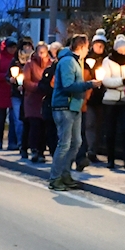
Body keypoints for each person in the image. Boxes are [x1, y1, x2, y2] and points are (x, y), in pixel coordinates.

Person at [49, 34, 101, 191]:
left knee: (76, 142)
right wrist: (89, 84)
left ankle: (65, 174)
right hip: (64, 106)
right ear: (82, 47)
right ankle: (55, 177)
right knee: (64, 143)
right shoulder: (68, 62)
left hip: (74, 106)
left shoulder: (76, 61)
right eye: (87, 47)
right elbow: (67, 85)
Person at [100, 34, 125, 169]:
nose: (123, 53)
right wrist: (121, 81)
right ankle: (111, 158)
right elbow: (106, 80)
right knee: (111, 131)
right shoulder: (108, 61)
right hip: (111, 100)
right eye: (121, 50)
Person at [23, 43, 51, 163]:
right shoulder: (30, 65)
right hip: (33, 100)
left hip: (45, 99)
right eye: (40, 53)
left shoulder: (51, 65)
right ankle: (34, 149)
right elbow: (26, 81)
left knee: (44, 126)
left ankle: (41, 151)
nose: (41, 56)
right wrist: (38, 86)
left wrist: (48, 87)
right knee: (35, 125)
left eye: (44, 53)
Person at [84, 29, 108, 164]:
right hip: (90, 96)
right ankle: (89, 149)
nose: (99, 47)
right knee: (90, 124)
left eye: (102, 45)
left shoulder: (106, 60)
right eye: (97, 44)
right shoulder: (87, 59)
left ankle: (94, 149)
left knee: (98, 125)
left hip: (101, 96)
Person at [0, 38, 17, 150]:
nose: (12, 49)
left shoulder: (16, 59)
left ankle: (12, 141)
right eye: (10, 47)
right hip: (1, 90)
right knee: (1, 117)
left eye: (14, 47)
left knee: (13, 117)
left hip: (12, 90)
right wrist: (5, 77)